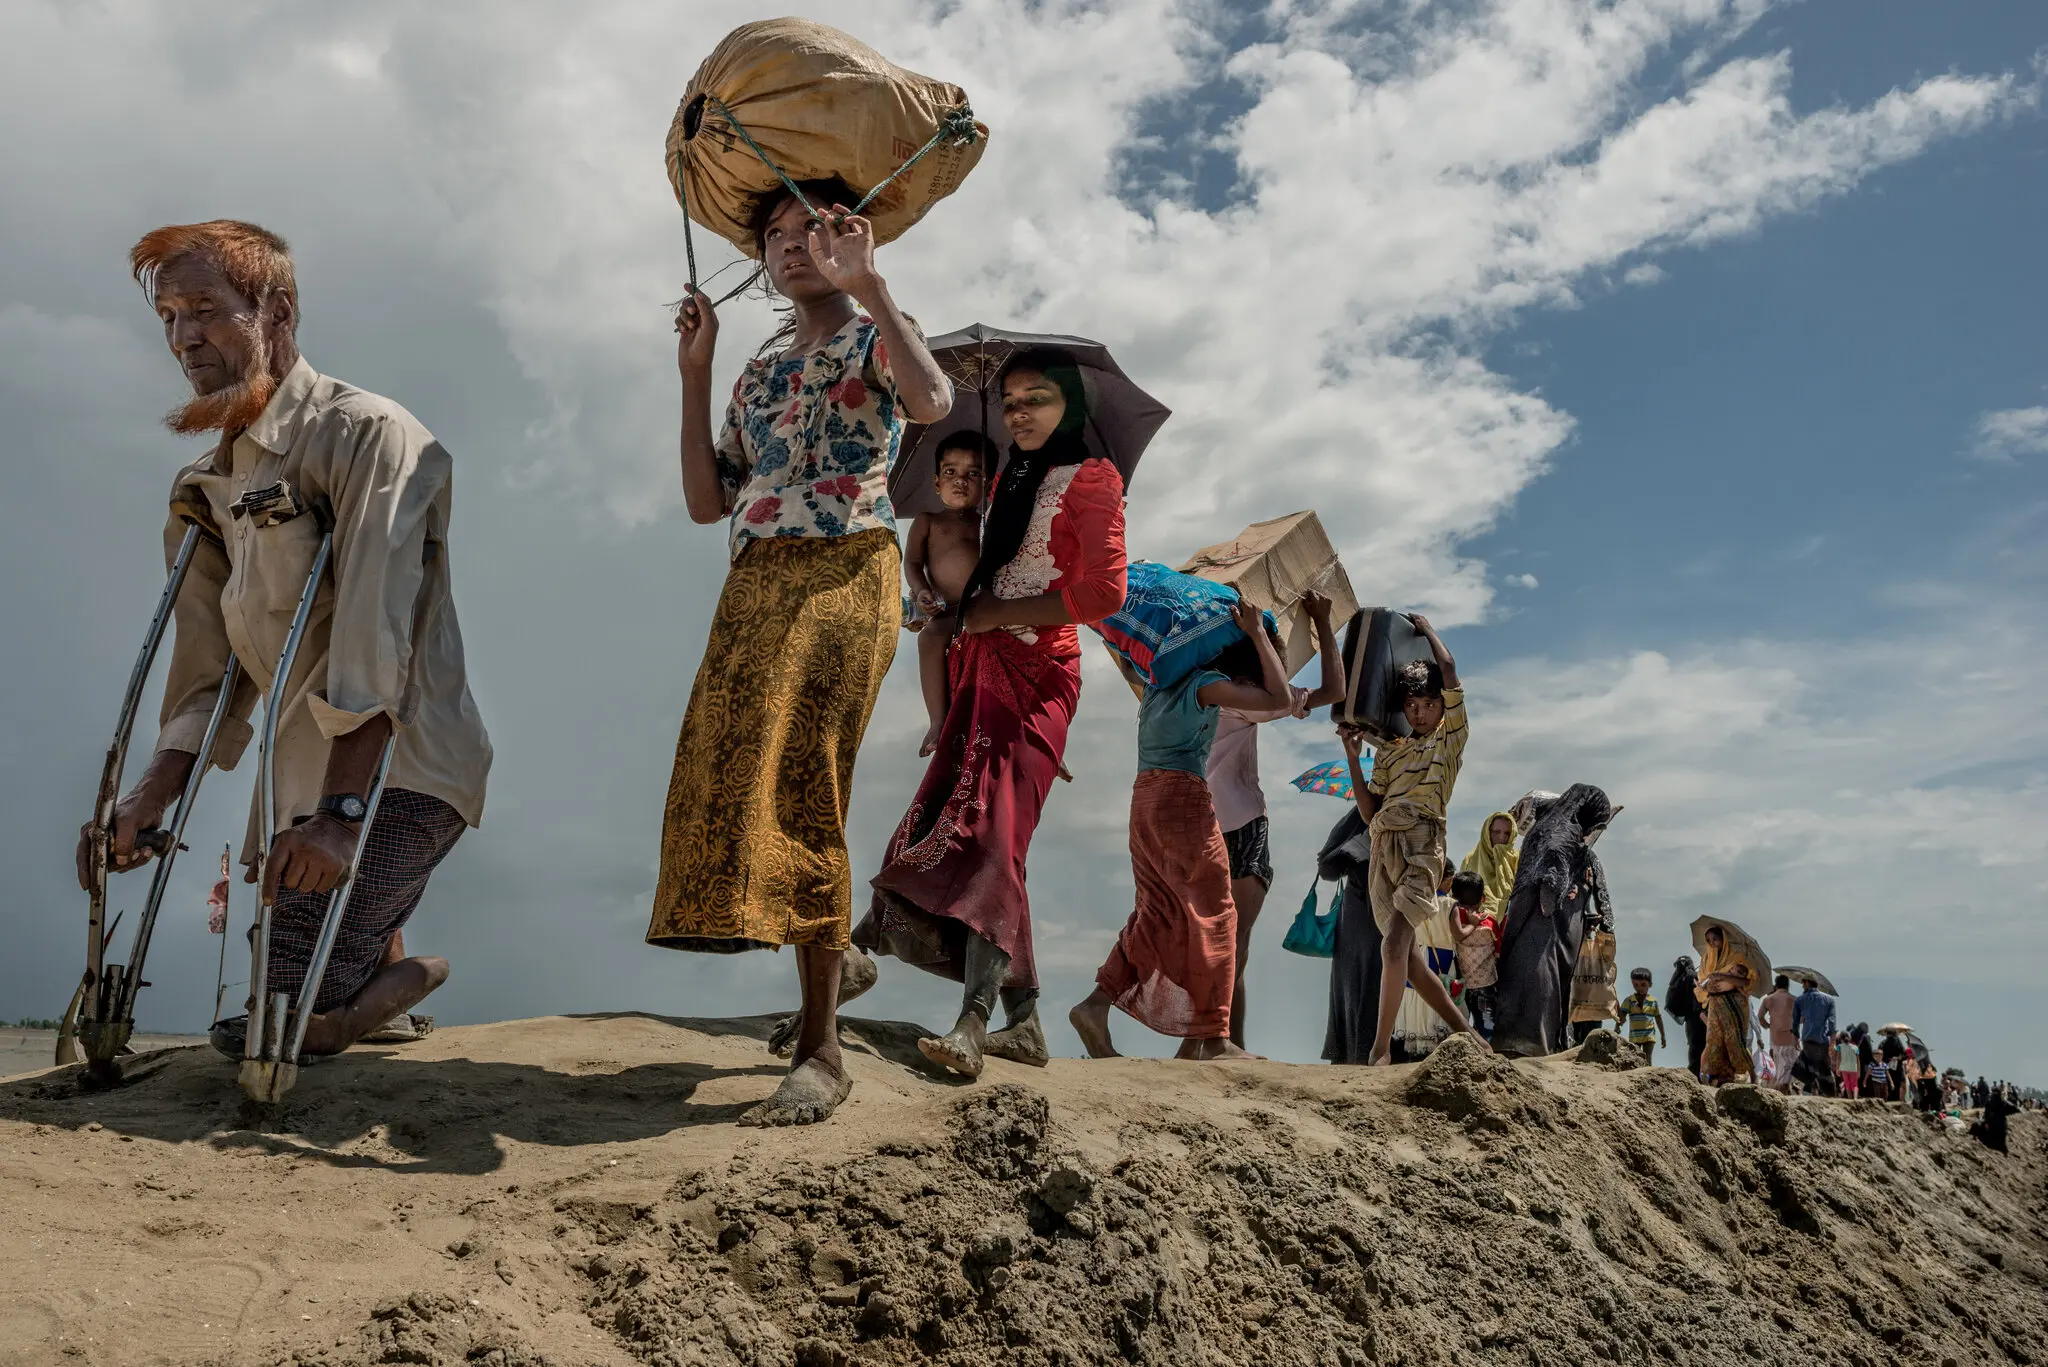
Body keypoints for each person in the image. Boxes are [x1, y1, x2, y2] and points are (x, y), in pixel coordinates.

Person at [78, 221, 492, 1061]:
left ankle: (372, 993)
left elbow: (376, 631)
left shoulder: (366, 433)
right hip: (300, 782)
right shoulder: (207, 483)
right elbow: (207, 664)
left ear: (277, 309)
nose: (184, 335)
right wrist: (147, 796)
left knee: (281, 1027)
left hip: (398, 771)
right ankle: (379, 961)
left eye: (206, 308)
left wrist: (342, 819)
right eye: (167, 316)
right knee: (276, 990)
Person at [648, 180, 952, 1127]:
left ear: (845, 238)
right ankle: (839, 954)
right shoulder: (759, 369)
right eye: (773, 236)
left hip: (846, 568)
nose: (789, 247)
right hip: (756, 578)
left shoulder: (873, 332)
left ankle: (823, 1048)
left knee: (808, 779)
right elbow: (708, 501)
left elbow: (933, 400)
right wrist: (696, 372)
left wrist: (872, 287)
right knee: (731, 773)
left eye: (810, 230)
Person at [858, 351, 1128, 1079]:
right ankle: (1026, 1022)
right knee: (962, 812)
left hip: (1038, 670)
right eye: (1009, 402)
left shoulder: (1093, 479)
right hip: (978, 663)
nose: (1017, 415)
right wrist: (954, 613)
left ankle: (967, 1018)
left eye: (1035, 399)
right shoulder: (1011, 473)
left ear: (1070, 404)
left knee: (989, 830)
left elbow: (1104, 593)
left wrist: (1000, 611)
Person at [1070, 599, 1293, 1060]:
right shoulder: (1205, 684)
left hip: (1143, 799)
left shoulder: (1155, 680)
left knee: (1156, 912)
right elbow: (1281, 700)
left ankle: (1095, 1005)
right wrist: (1254, 632)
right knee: (1218, 915)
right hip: (1183, 800)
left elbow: (1129, 659)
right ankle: (1215, 1039)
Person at [1205, 590, 1346, 1051]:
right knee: (1236, 941)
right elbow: (1334, 691)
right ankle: (1215, 1040)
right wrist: (1323, 622)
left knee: (1222, 944)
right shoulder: (1250, 700)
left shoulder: (1189, 687)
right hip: (1242, 822)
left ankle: (1228, 1042)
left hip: (1194, 826)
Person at [1337, 614, 1479, 1065]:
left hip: (1423, 845)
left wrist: (1429, 631)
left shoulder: (1449, 741)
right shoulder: (1390, 752)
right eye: (1412, 705)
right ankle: (1471, 1037)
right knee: (1410, 959)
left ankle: (1379, 1051)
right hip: (1384, 847)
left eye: (1428, 703)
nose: (1420, 711)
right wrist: (1353, 758)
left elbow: (1451, 671)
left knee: (1393, 944)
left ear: (1441, 705)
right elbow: (1367, 811)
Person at [1490, 785, 1618, 1058]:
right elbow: (1554, 863)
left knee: (1521, 974)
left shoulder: (1547, 826)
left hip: (1526, 911)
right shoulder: (1566, 832)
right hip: (1544, 918)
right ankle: (1532, 1043)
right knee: (1540, 976)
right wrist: (1555, 898)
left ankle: (1511, 1039)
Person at [904, 432, 995, 758]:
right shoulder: (927, 521)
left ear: (988, 483)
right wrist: (921, 590)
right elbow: (912, 563)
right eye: (951, 472)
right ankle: (937, 721)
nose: (961, 481)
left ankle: (1030, 724)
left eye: (974, 474)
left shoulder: (989, 522)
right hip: (946, 611)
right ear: (936, 481)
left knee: (1018, 647)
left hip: (986, 609)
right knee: (928, 639)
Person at [1695, 926, 1755, 1085]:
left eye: (1715, 939)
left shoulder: (1737, 958)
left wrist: (1722, 976)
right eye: (1708, 941)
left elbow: (1746, 981)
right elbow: (1701, 984)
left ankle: (1735, 1075)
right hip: (1715, 1003)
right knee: (1715, 1040)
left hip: (1735, 1004)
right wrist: (1707, 987)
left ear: (1723, 939)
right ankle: (1720, 1077)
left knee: (1733, 1039)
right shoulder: (1706, 960)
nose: (1712, 943)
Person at [1447, 871, 1498, 1042]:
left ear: (1454, 896)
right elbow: (1499, 950)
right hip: (1486, 984)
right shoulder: (1490, 922)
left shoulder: (1453, 921)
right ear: (1483, 898)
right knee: (1487, 1028)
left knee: (1463, 1027)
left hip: (1460, 985)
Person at [1459, 811, 1519, 929]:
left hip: (1511, 927)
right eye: (1496, 832)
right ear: (1487, 832)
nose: (1501, 837)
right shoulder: (1470, 859)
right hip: (1476, 927)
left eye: (1507, 833)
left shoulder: (1517, 860)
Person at [1791, 977, 1838, 1096]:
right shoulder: (1829, 1000)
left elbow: (1795, 1021)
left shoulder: (1800, 1000)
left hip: (1807, 1038)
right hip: (1823, 1039)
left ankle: (1811, 1092)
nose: (1802, 986)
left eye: (1803, 983)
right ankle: (1829, 1093)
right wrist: (1833, 1042)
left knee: (1808, 1067)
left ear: (1807, 983)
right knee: (1824, 1068)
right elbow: (1832, 1021)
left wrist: (1795, 1037)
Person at [1667, 957, 1707, 1080]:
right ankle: (1698, 1077)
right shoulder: (1694, 976)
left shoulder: (1677, 979)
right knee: (1701, 1046)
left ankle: (1695, 1075)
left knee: (1694, 1047)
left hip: (1689, 1019)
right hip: (1699, 1017)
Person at [1758, 975, 1799, 1094]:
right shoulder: (1795, 1000)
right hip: (1791, 1038)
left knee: (1780, 1066)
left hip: (1776, 1038)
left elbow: (1760, 1017)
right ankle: (1784, 1089)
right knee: (1789, 1066)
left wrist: (1768, 1026)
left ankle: (1782, 1090)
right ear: (1788, 985)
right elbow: (1803, 1018)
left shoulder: (1768, 999)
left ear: (1776, 985)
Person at [1617, 968, 1665, 1064]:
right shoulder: (1629, 1000)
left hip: (1649, 1036)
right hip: (1635, 1036)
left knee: (1647, 1058)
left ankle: (1649, 1076)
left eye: (1643, 985)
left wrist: (1663, 1035)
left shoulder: (1653, 1001)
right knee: (1635, 1058)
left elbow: (1658, 1018)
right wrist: (1617, 1026)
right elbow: (1622, 1014)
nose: (1639, 988)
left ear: (1650, 984)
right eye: (1636, 985)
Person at [1835, 1031, 1861, 1098]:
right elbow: (1858, 1060)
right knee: (1855, 1085)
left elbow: (1838, 1059)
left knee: (1847, 1084)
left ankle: (1850, 1098)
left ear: (1840, 1039)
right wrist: (1859, 1071)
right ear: (1849, 1038)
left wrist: (1837, 1069)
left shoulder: (1839, 1047)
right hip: (1853, 1068)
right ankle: (1855, 1098)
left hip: (1844, 1068)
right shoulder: (1856, 1047)